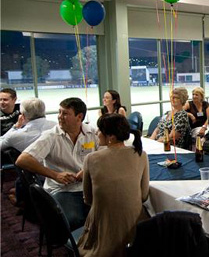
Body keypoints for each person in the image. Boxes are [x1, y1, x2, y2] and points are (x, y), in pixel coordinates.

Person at [16, 98, 99, 230]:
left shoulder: (92, 133)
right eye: (59, 112)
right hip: (63, 190)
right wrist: (55, 175)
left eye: (65, 113)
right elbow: (22, 160)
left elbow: (103, 156)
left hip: (89, 187)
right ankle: (79, 247)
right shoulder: (50, 136)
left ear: (79, 117)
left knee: (110, 212)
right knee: (73, 220)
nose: (60, 117)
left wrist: (87, 170)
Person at [78, 114, 149, 257]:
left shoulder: (91, 159)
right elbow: (143, 195)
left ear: (111, 136)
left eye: (99, 130)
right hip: (134, 226)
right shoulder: (141, 154)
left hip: (104, 228)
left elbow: (88, 199)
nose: (97, 133)